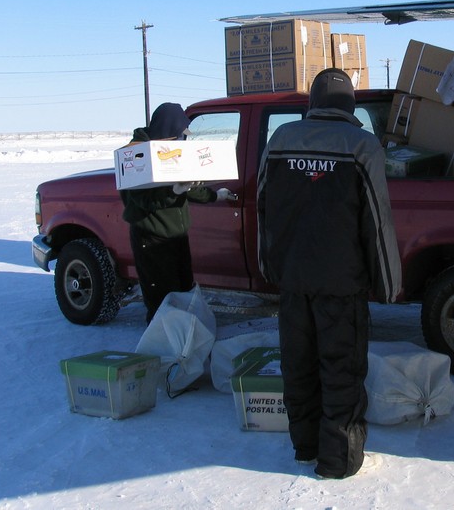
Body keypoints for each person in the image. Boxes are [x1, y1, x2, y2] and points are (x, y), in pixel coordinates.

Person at [256, 68, 401, 480]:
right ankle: (338, 462)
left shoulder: (281, 140)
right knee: (340, 370)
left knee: (298, 365)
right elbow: (377, 221)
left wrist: (271, 267)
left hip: (294, 281)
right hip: (341, 284)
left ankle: (305, 447)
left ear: (314, 102)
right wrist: (388, 283)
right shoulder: (361, 145)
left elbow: (263, 209)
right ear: (350, 104)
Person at [120, 102, 230, 324]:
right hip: (151, 239)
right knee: (161, 299)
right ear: (167, 130)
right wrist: (173, 191)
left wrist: (214, 196)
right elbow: (141, 201)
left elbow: (187, 186)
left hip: (176, 237)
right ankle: (161, 348)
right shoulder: (136, 155)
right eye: (180, 134)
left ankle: (182, 344)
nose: (183, 139)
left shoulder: (171, 151)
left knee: (183, 291)